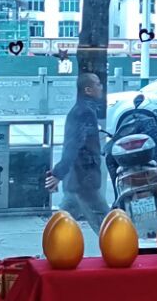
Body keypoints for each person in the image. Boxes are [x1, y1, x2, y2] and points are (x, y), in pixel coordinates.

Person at [44, 72, 109, 232]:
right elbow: (74, 144)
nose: (101, 87)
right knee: (107, 223)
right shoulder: (84, 112)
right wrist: (59, 173)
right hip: (84, 176)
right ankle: (119, 246)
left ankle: (52, 242)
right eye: (98, 84)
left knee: (66, 216)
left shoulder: (83, 110)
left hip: (78, 176)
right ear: (88, 90)